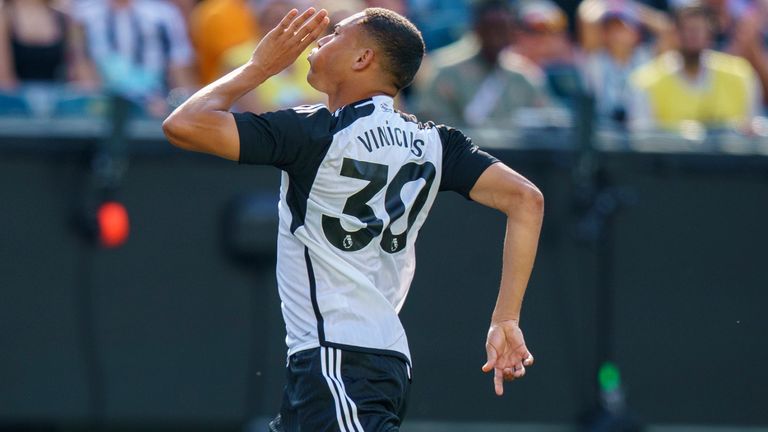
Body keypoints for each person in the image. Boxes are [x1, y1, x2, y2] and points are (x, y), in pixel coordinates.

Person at [163, 7, 543, 431]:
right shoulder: (436, 142)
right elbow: (527, 200)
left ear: (363, 59)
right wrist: (506, 318)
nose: (319, 41)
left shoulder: (316, 132)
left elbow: (185, 124)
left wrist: (260, 67)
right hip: (376, 358)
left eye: (335, 35)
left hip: (337, 356)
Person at [414, 0, 549, 128]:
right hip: (464, 150)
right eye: (491, 29)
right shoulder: (446, 72)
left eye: (502, 29)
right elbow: (431, 124)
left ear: (512, 31)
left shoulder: (523, 76)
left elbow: (549, 118)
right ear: (477, 28)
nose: (496, 37)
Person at [629, 3, 761, 131]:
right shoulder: (647, 81)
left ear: (711, 34)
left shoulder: (740, 75)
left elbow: (752, 130)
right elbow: (642, 139)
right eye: (687, 30)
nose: (692, 36)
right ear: (675, 33)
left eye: (699, 30)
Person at [75, 0, 196, 116]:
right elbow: (80, 63)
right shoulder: (84, 14)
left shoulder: (164, 14)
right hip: (104, 104)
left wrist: (174, 103)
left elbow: (178, 66)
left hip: (155, 104)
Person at [0, 0, 95, 89]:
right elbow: (5, 82)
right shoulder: (4, 19)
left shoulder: (66, 20)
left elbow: (85, 74)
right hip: (16, 103)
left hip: (58, 101)